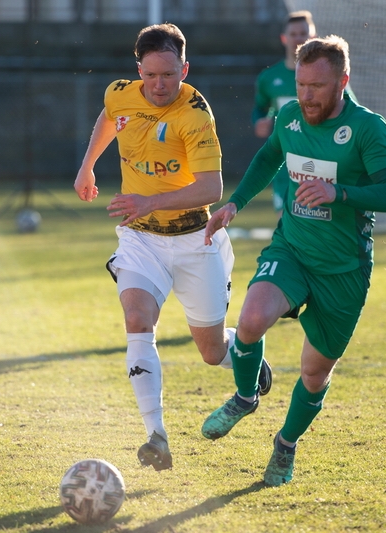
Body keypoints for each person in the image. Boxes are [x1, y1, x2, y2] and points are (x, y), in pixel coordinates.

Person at [200, 35, 386, 486]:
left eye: (317, 86)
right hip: (292, 249)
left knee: (314, 374)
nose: (306, 95)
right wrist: (235, 202)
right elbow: (270, 155)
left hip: (344, 270)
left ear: (342, 82)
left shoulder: (369, 128)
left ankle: (286, 444)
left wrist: (342, 193)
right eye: (300, 84)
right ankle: (245, 395)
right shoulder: (290, 115)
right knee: (252, 319)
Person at [73, 23, 271, 472]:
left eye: (169, 75)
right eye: (150, 75)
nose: (160, 85)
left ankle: (245, 361)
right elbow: (109, 116)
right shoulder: (121, 92)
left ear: (185, 68)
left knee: (211, 352)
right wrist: (88, 167)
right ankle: (156, 436)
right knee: (137, 318)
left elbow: (211, 188)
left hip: (194, 240)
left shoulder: (195, 113)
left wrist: (149, 200)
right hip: (141, 238)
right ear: (138, 69)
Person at [251, 11, 358, 216]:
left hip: (325, 159)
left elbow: (350, 107)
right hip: (287, 163)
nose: (298, 38)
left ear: (313, 37)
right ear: (284, 38)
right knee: (288, 221)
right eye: (293, 34)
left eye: (303, 33)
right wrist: (259, 121)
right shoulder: (269, 78)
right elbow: (260, 107)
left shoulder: (329, 77)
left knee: (321, 220)